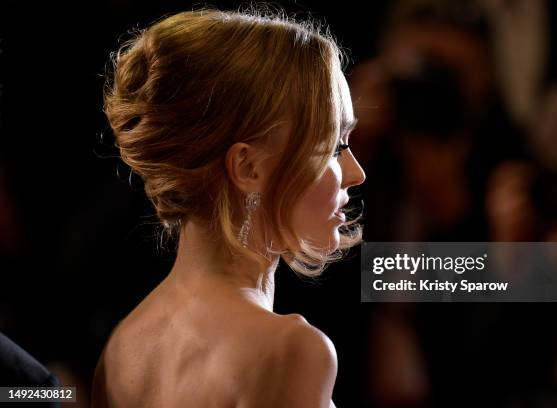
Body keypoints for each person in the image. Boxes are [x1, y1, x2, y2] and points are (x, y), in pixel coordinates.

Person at [91, 7, 365, 408]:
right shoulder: (292, 350)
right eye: (332, 147)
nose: (356, 172)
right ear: (247, 166)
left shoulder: (122, 349)